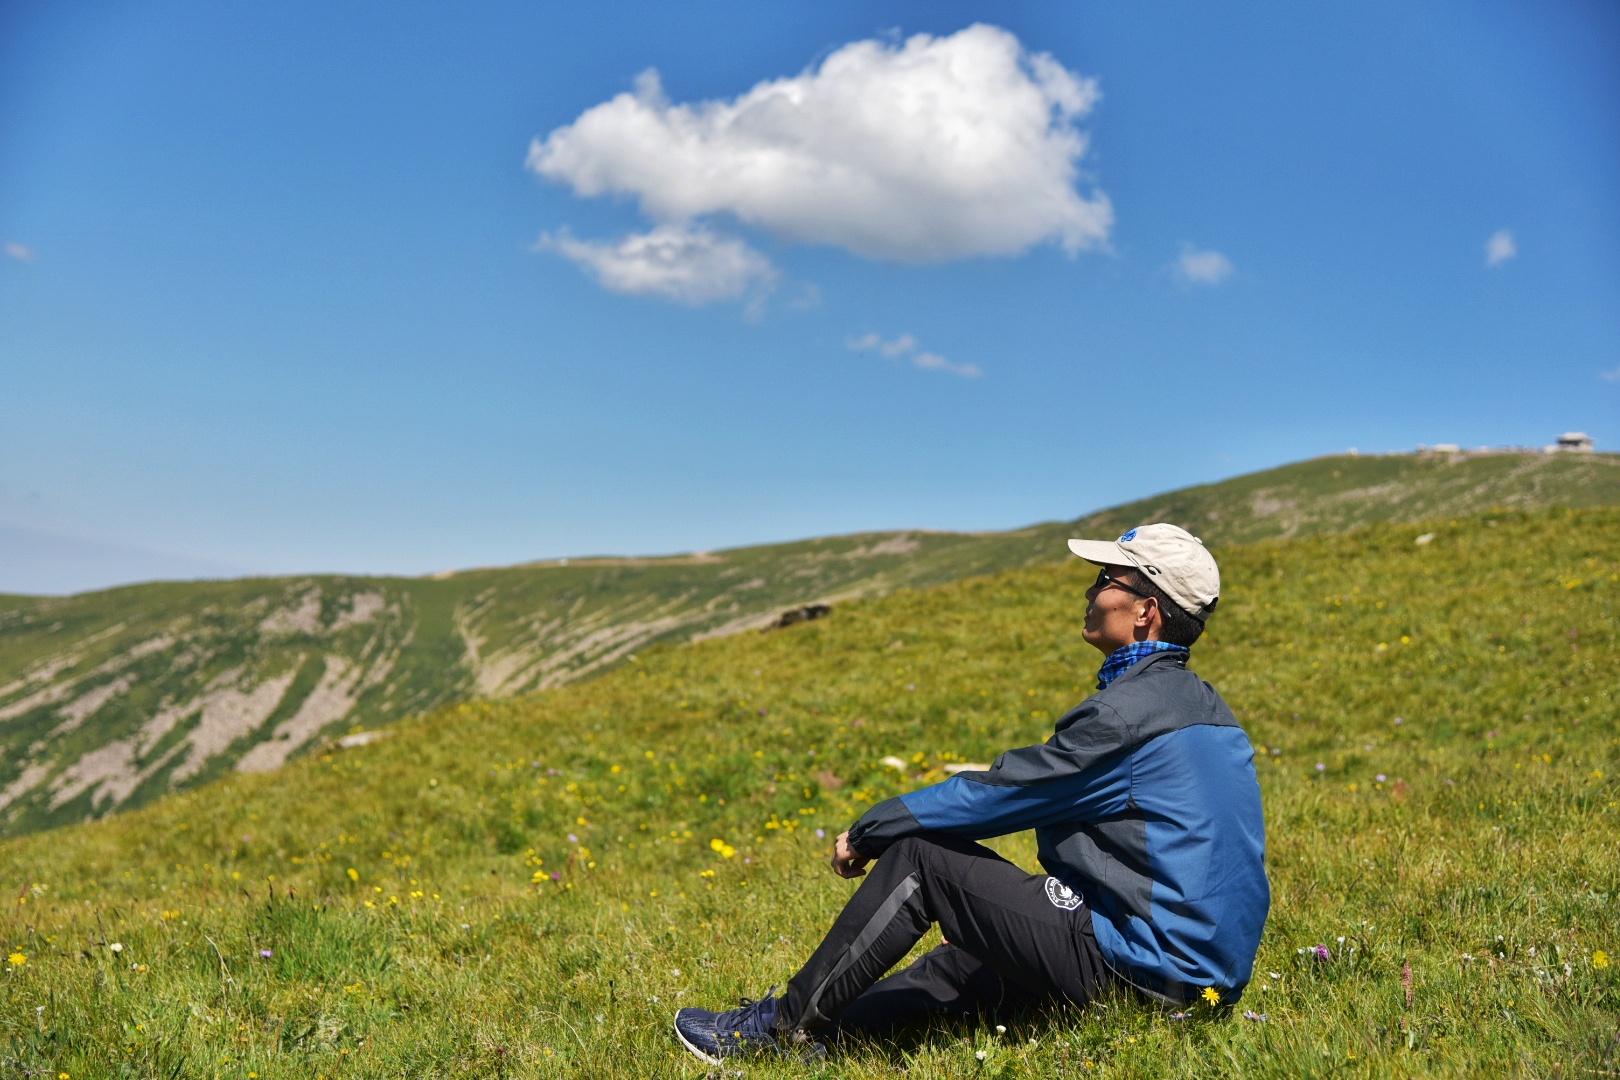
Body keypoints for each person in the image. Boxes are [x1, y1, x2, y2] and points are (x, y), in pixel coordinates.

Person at [674, 523, 1269, 1063]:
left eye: (1102, 579)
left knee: (922, 859)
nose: (1089, 593)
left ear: (1145, 611)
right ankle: (828, 1039)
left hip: (1143, 968)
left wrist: (871, 829)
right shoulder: (1205, 709)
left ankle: (777, 1032)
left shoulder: (1130, 716)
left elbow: (1002, 794)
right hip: (1201, 982)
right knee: (966, 963)